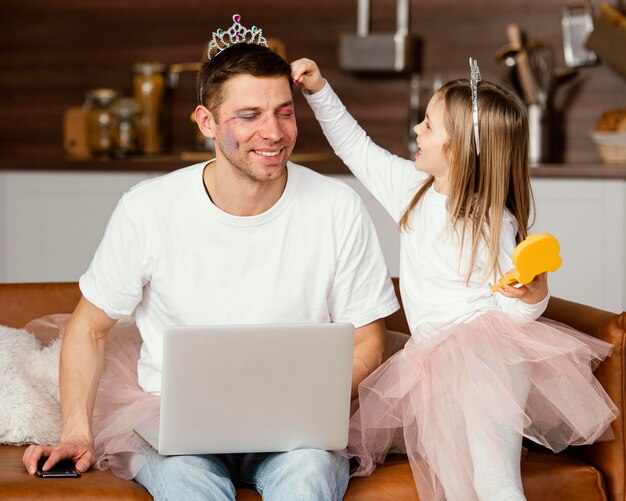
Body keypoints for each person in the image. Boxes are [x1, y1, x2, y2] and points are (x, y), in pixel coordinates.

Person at [22, 16, 400, 501]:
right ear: (206, 123)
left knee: (308, 478)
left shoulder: (338, 206)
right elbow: (89, 328)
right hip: (173, 426)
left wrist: (301, 404)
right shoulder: (147, 207)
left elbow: (367, 340)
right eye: (248, 116)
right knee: (187, 484)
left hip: (296, 434)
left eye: (285, 112)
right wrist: (76, 432)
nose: (273, 131)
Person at [290, 57, 618, 501]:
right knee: (454, 481)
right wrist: (318, 90)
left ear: (459, 147)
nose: (417, 130)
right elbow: (355, 146)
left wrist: (532, 295)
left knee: (494, 479)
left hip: (487, 359)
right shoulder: (411, 189)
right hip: (431, 364)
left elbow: (512, 311)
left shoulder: (491, 221)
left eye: (428, 125)